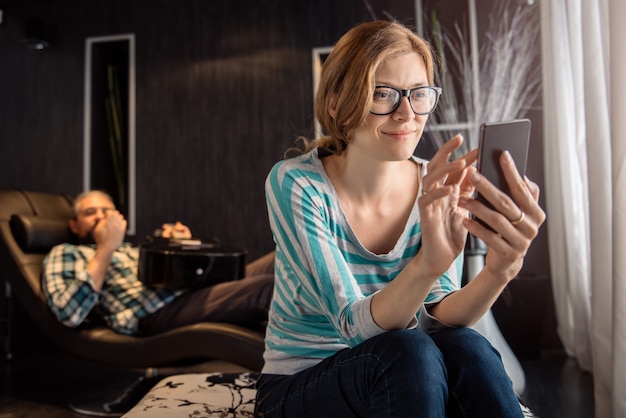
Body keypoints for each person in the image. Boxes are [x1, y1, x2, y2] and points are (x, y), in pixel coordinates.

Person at [255, 20, 545, 417]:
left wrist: (500, 270)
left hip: (401, 375)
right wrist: (427, 265)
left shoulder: (436, 184)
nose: (407, 113)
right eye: (384, 94)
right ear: (337, 104)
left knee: (467, 344)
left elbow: (440, 319)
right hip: (300, 385)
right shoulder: (298, 184)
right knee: (407, 349)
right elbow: (353, 327)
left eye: (419, 94)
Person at [42, 190, 274, 336]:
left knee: (280, 258)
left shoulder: (132, 248)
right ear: (74, 225)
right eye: (90, 212)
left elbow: (177, 273)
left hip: (192, 290)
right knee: (269, 288)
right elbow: (68, 314)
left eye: (107, 211)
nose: (101, 216)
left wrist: (177, 245)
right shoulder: (66, 253)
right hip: (157, 311)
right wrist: (105, 248)